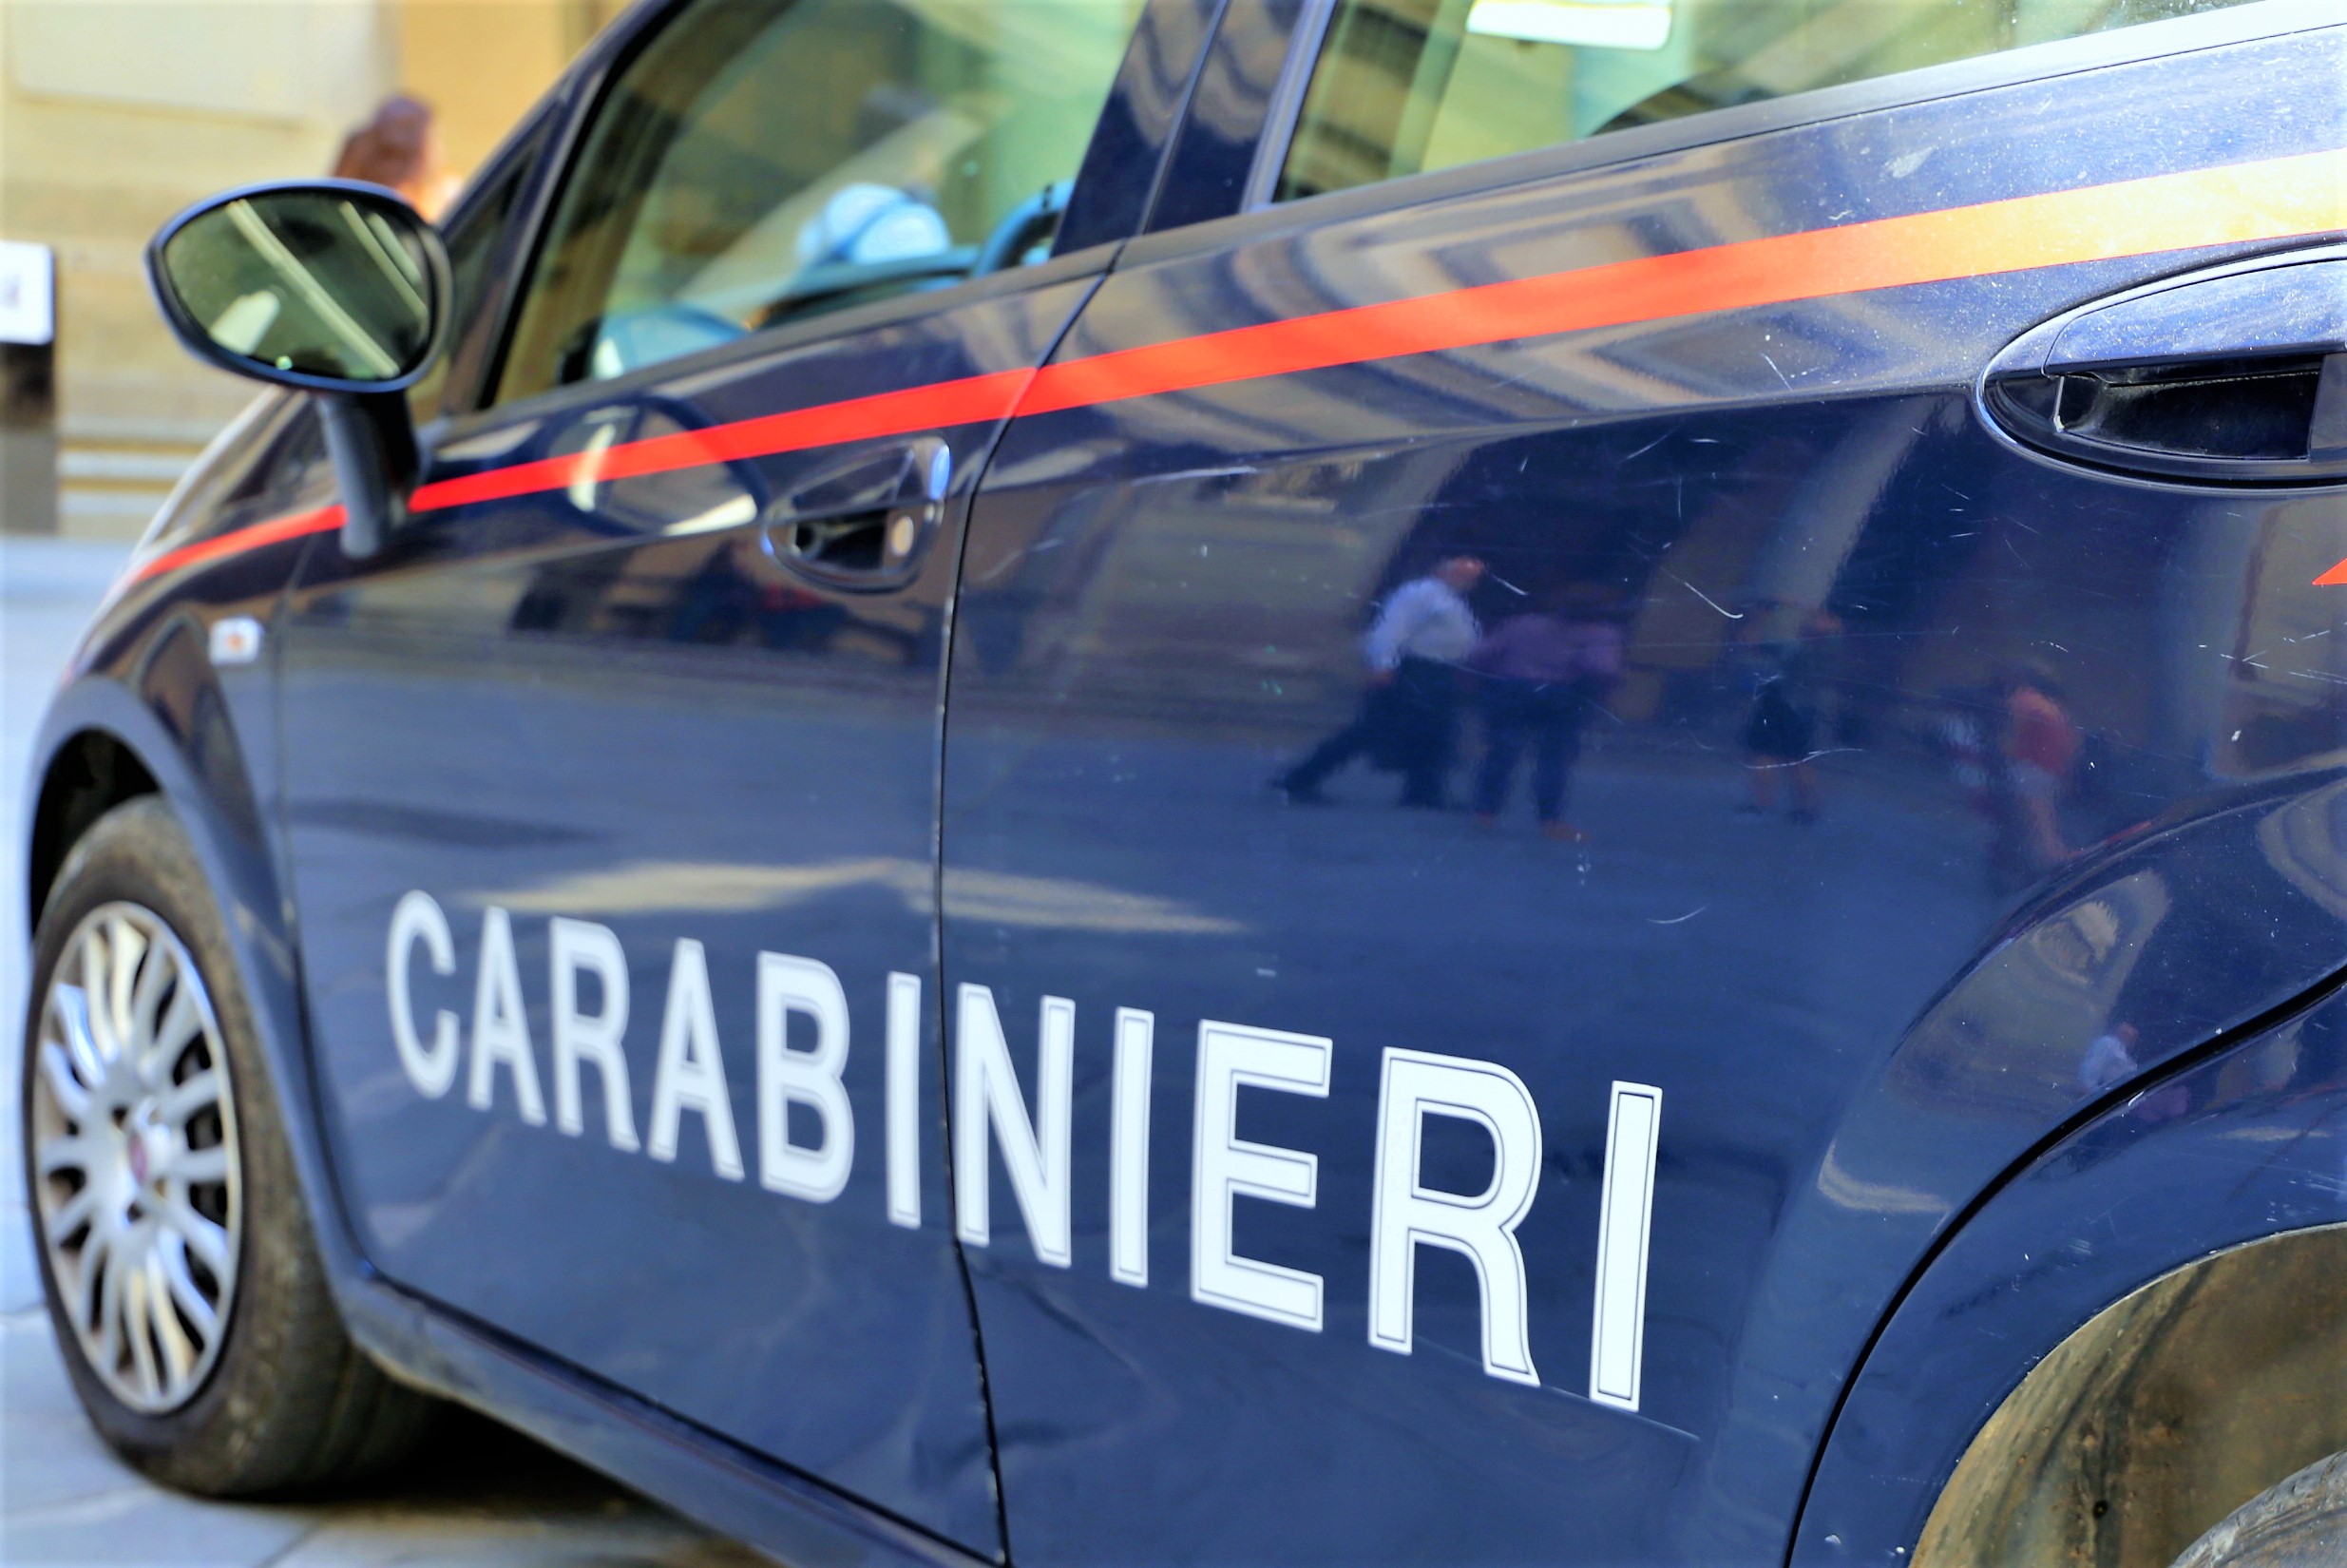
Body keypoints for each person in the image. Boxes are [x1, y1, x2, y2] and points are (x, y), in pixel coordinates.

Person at [1276, 555, 1484, 808]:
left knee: (1435, 732)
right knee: (1371, 729)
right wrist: (1383, 664)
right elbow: (1391, 629)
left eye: (1473, 576)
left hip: (1437, 672)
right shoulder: (1419, 593)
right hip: (1413, 670)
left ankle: (1424, 791)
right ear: (1443, 571)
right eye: (1464, 574)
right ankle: (1299, 779)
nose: (1469, 580)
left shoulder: (1448, 599)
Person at [1464, 588, 1623, 840]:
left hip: (1511, 690)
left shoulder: (1522, 624)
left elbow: (1482, 654)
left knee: (1501, 752)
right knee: (1554, 758)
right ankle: (1550, 820)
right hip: (1561, 696)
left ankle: (1485, 812)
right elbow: (1602, 669)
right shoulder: (1600, 633)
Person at [1739, 608, 1841, 825]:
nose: (1808, 619)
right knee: (1770, 756)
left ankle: (1803, 810)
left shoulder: (1824, 646)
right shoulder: (1796, 645)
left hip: (1793, 707)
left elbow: (1755, 644)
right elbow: (1752, 643)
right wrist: (1760, 614)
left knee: (1794, 760)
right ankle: (1770, 806)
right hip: (1783, 706)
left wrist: (1763, 611)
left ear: (1834, 623)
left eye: (1817, 617)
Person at [333, 96, 459, 220]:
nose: (393, 169)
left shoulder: (453, 205)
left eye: (406, 155)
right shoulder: (343, 198)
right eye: (386, 152)